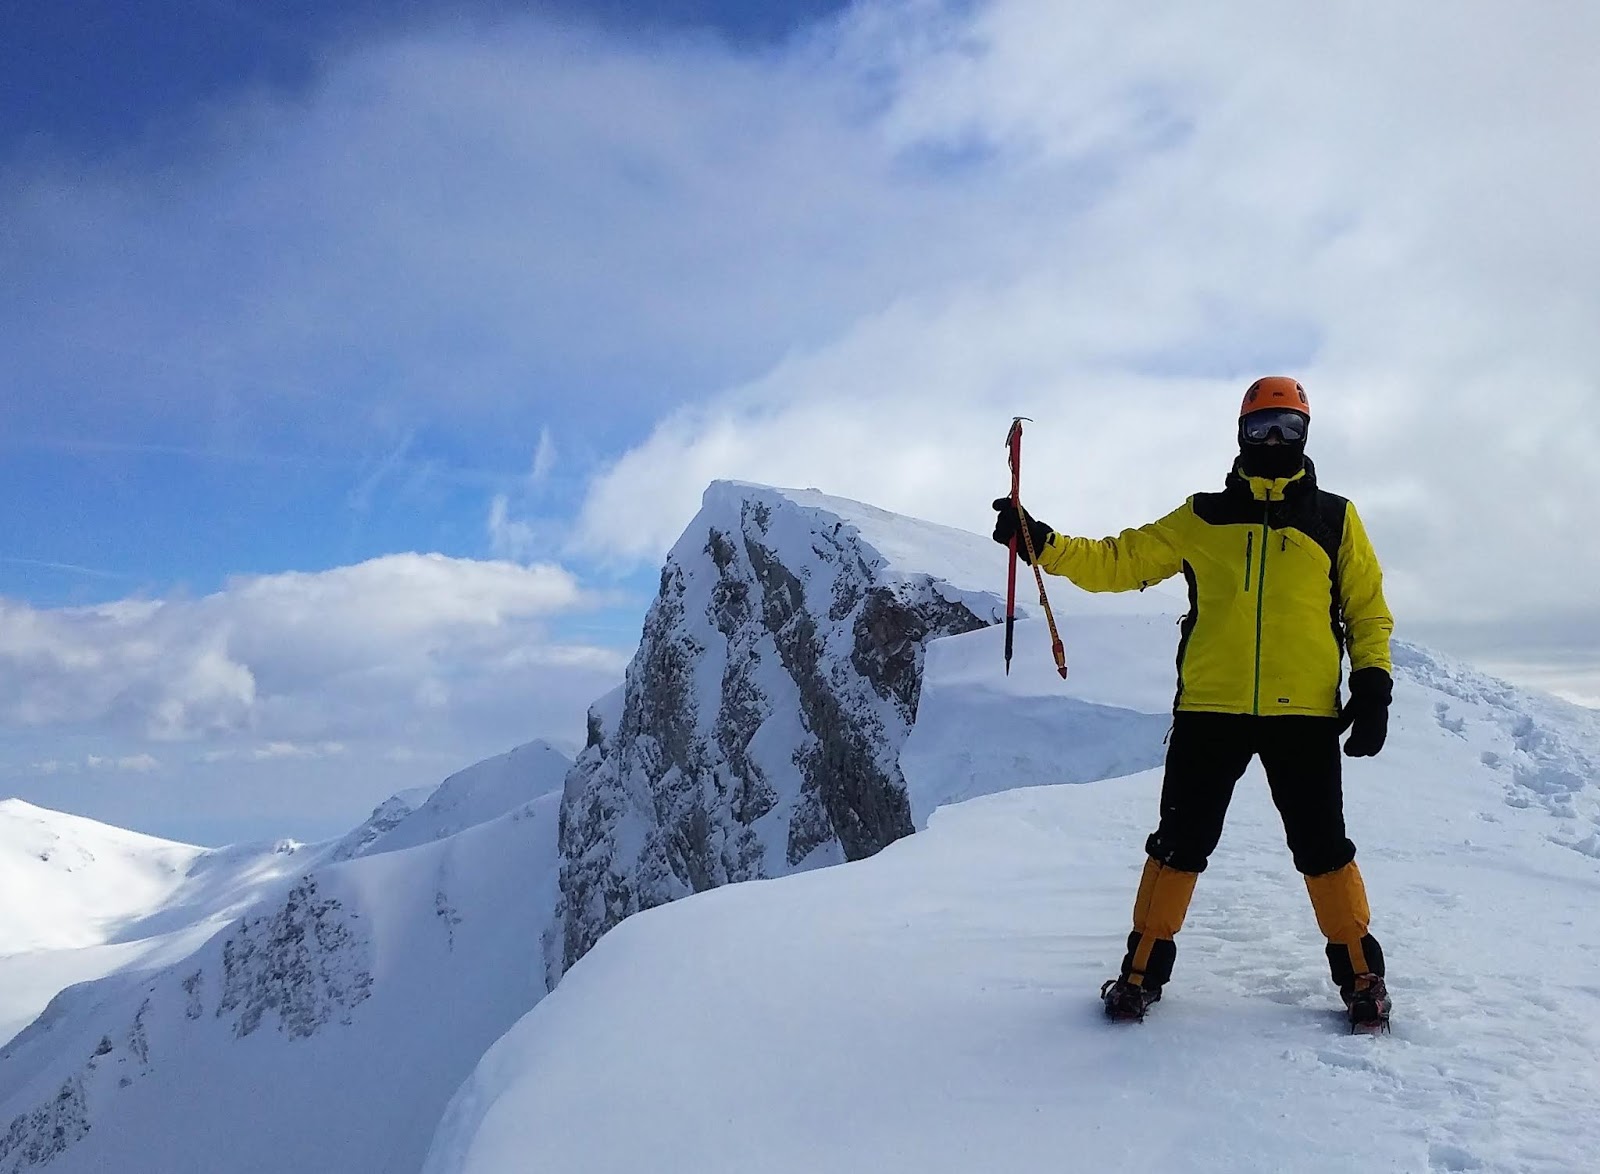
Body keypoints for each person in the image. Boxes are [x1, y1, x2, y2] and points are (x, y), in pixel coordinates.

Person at [991, 377, 1395, 1030]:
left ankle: (1362, 978)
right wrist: (1042, 541)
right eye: (1262, 428)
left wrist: (1373, 684)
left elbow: (1367, 610)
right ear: (1240, 434)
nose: (1273, 440)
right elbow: (1119, 561)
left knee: (1323, 848)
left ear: (1305, 435)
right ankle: (1140, 975)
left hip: (1305, 717)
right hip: (1211, 711)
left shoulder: (1335, 519)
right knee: (1177, 845)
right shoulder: (1203, 516)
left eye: (1287, 428)